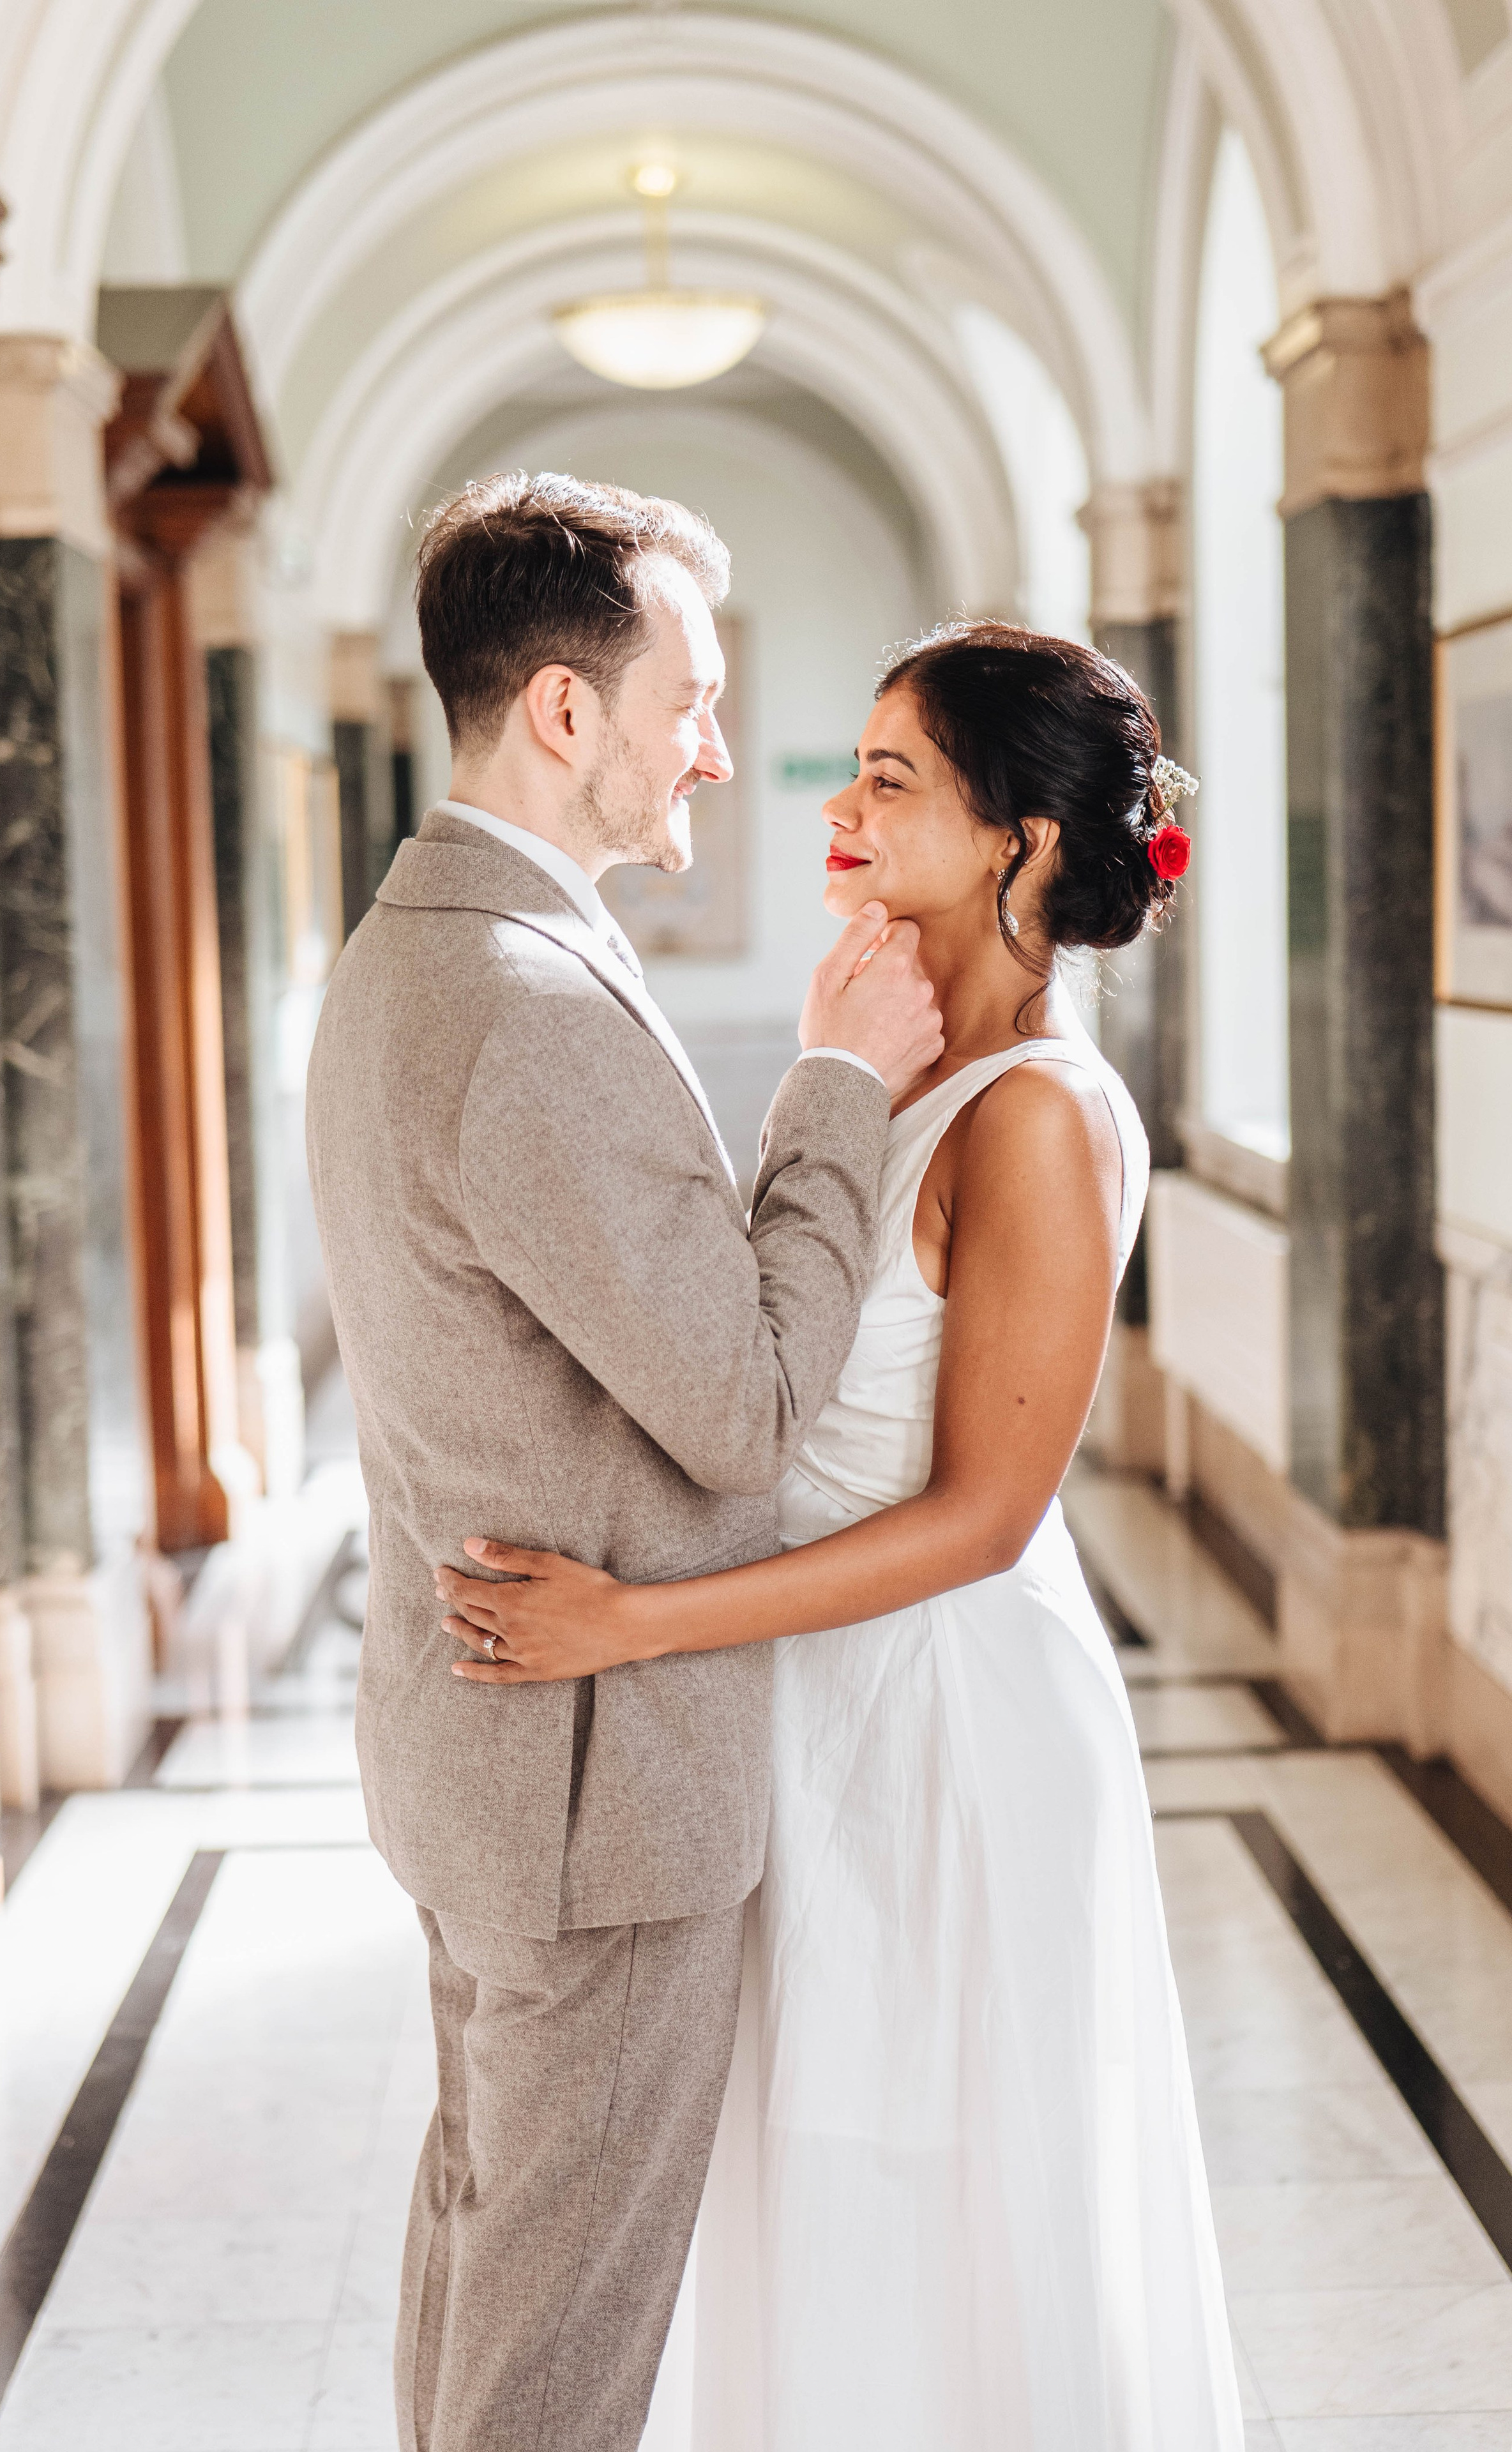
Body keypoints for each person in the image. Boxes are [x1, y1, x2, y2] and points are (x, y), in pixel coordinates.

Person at [437, 623, 1246, 2450]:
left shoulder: (1038, 1113)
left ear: (1025, 842)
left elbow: (981, 1519)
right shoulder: (884, 1060)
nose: (841, 805)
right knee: (807, 2193)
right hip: (799, 1700)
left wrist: (638, 1624)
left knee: (927, 2193)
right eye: (853, 766)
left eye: (895, 779)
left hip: (943, 1729)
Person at [305, 470, 943, 2452]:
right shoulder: (522, 998)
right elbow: (743, 1408)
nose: (722, 747)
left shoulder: (418, 945)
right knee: (556, 2353)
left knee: (489, 2255)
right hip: (590, 1797)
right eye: (695, 694)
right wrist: (835, 1086)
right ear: (566, 712)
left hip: (487, 1758)